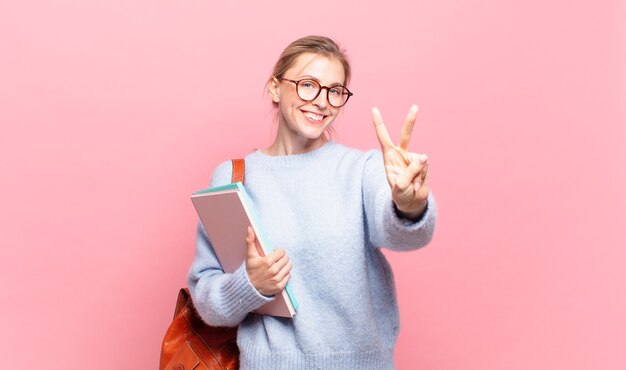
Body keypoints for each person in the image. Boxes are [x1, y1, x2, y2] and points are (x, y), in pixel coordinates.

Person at [188, 35, 437, 370]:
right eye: (308, 84)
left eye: (335, 91)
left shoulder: (363, 170)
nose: (322, 101)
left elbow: (404, 234)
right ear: (276, 88)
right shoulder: (234, 178)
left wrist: (408, 206)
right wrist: (250, 285)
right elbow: (207, 301)